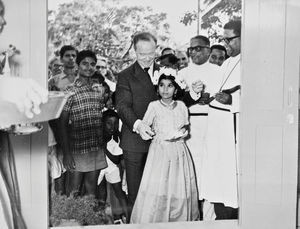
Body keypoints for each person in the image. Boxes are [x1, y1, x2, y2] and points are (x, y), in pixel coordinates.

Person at [115, 32, 203, 219]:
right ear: (134, 51)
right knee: (137, 193)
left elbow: (176, 99)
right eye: (141, 54)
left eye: (150, 53)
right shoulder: (125, 75)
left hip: (163, 148)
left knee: (162, 195)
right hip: (135, 142)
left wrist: (193, 94)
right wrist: (138, 125)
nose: (147, 58)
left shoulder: (166, 71)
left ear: (156, 49)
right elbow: (122, 105)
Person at [130, 72, 199, 223]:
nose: (165, 89)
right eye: (162, 85)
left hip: (178, 151)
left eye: (170, 86)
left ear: (176, 89)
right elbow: (145, 125)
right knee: (159, 187)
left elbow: (185, 126)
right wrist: (145, 131)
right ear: (157, 88)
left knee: (178, 187)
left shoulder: (181, 106)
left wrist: (182, 133)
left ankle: (178, 220)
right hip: (160, 152)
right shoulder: (153, 106)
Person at [200, 20, 241, 220]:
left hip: (232, 131)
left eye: (229, 39)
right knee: (217, 182)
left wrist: (232, 99)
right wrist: (208, 97)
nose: (226, 43)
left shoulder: (254, 60)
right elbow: (220, 89)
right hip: (217, 128)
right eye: (223, 39)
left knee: (230, 186)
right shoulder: (230, 61)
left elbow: (261, 97)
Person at [178, 35, 221, 218]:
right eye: (192, 49)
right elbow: (176, 102)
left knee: (211, 173)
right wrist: (191, 97)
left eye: (199, 48)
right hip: (191, 128)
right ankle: (192, 217)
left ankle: (210, 219)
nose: (194, 52)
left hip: (213, 125)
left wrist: (211, 98)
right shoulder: (182, 74)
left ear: (208, 50)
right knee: (192, 173)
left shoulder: (219, 71)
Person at [59, 50, 107, 197]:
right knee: (74, 190)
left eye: (93, 64)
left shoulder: (98, 90)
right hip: (77, 149)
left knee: (91, 189)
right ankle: (72, 220)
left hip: (95, 147)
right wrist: (67, 153)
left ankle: (89, 219)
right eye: (85, 63)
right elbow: (62, 123)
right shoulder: (70, 90)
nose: (89, 67)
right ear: (77, 66)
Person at [97, 109, 128, 223]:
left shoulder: (118, 137)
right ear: (102, 123)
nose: (112, 127)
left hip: (112, 167)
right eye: (109, 123)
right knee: (101, 194)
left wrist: (104, 148)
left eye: (115, 124)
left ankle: (128, 219)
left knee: (119, 192)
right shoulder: (98, 135)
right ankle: (99, 220)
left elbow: (116, 159)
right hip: (99, 168)